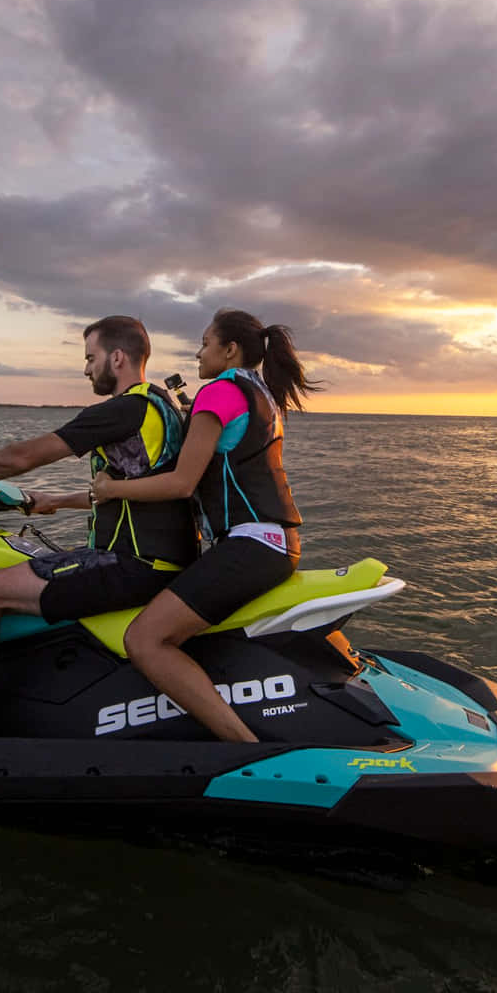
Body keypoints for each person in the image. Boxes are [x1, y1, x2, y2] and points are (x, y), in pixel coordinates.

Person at [0, 315, 196, 736]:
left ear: (117, 358)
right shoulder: (162, 407)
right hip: (162, 560)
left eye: (90, 358)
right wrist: (56, 501)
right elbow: (132, 491)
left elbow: (21, 457)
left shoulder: (122, 409)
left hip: (132, 564)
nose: (85, 369)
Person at [90, 308, 319, 743]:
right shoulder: (261, 394)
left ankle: (245, 749)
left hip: (252, 546)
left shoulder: (219, 392)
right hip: (276, 541)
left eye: (204, 344)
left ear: (229, 350)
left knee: (144, 639)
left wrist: (111, 490)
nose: (197, 355)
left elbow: (180, 483)